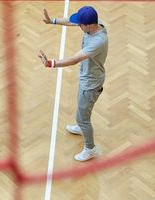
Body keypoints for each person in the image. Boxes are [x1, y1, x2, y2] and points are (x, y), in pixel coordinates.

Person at [39, 6, 108, 161]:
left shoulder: (98, 41)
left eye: (81, 24)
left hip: (90, 85)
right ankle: (81, 125)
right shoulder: (96, 24)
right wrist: (53, 21)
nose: (79, 26)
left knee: (83, 118)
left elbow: (75, 59)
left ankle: (91, 149)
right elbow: (72, 21)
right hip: (87, 78)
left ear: (88, 25)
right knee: (82, 113)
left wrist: (51, 63)